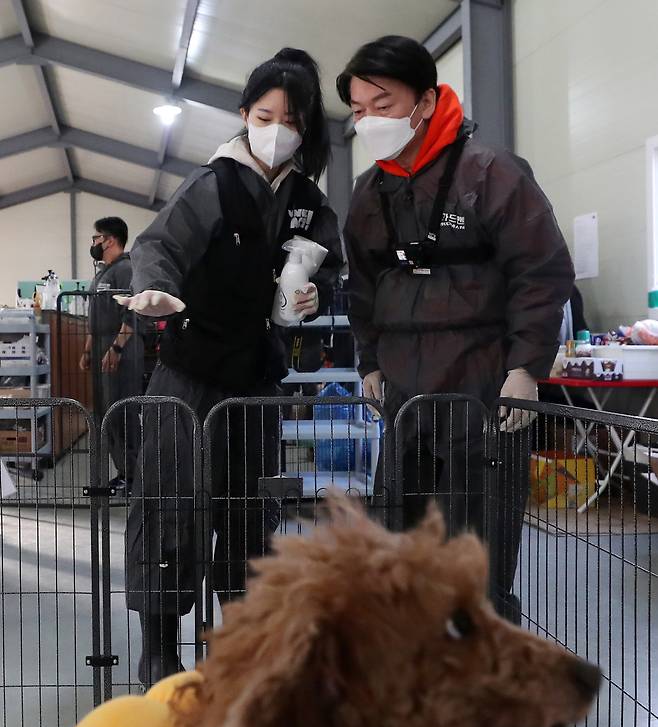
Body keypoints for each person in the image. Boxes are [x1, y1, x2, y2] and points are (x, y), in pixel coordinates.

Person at [119, 48, 343, 686]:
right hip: (187, 371)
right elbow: (159, 246)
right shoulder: (212, 182)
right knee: (167, 502)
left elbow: (328, 262)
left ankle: (235, 644)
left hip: (256, 379)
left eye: (290, 118)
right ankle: (159, 645)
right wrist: (156, 295)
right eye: (264, 114)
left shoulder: (306, 197)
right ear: (245, 114)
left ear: (306, 129)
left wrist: (313, 294)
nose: (275, 129)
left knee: (248, 511)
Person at [337, 36, 575, 622]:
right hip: (404, 393)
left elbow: (541, 271)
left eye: (382, 104)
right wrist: (369, 361)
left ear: (423, 101)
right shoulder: (370, 194)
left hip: (483, 387)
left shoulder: (490, 173)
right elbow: (361, 288)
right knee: (400, 544)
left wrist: (526, 369)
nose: (368, 120)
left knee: (480, 554)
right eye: (358, 109)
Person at [79, 217, 144, 493]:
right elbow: (96, 317)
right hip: (102, 350)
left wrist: (116, 348)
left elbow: (132, 315)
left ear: (110, 239)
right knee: (108, 414)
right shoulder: (102, 273)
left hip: (121, 353)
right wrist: (87, 349)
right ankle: (124, 473)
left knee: (123, 413)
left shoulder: (126, 270)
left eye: (96, 237)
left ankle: (136, 478)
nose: (94, 243)